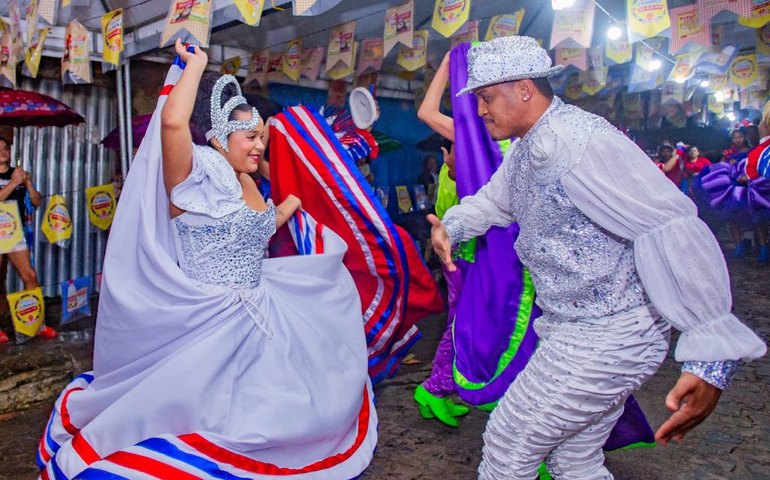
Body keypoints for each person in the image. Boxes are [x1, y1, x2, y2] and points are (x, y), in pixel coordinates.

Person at [428, 36, 766, 479]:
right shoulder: (532, 145)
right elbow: (494, 201)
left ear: (525, 89)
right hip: (577, 329)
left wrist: (711, 352)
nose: (481, 111)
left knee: (508, 444)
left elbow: (669, 226)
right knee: (573, 458)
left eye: (487, 97)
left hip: (613, 334)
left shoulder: (581, 141)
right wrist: (452, 226)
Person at [36, 41, 377, 479]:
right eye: (251, 138)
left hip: (262, 312)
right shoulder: (194, 178)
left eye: (262, 138)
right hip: (207, 321)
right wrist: (195, 65)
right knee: (203, 420)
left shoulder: (250, 183)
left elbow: (259, 229)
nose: (259, 146)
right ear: (218, 138)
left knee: (287, 410)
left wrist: (294, 203)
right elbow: (174, 122)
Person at [0, 136, 57, 343]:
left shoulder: (18, 174)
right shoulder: (13, 178)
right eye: (0, 149)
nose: (4, 152)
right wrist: (13, 183)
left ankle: (36, 324)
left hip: (13, 231)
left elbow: (36, 202)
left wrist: (28, 183)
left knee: (30, 275)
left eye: (6, 148)